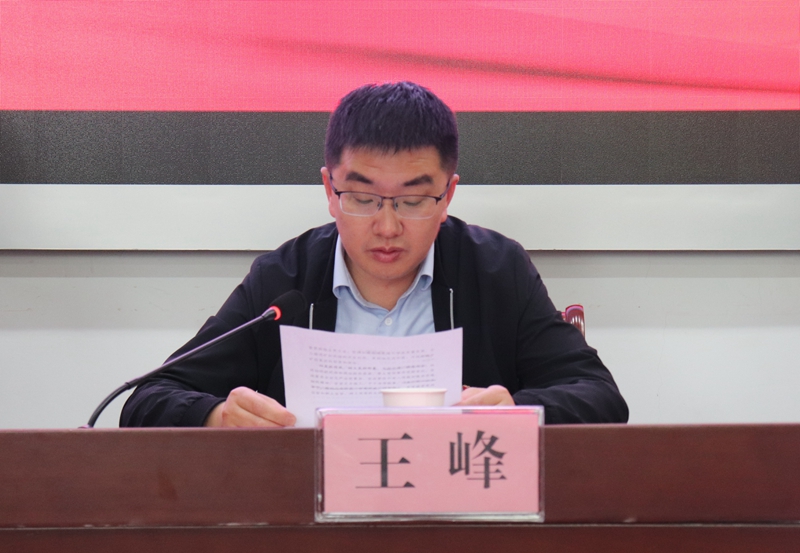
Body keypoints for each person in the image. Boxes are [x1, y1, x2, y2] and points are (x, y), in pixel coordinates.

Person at [120, 82, 628, 427]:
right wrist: (216, 416)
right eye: (362, 199)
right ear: (329, 189)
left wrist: (517, 409)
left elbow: (599, 396)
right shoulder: (285, 280)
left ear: (447, 195)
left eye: (413, 200)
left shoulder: (495, 269)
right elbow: (148, 400)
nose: (387, 227)